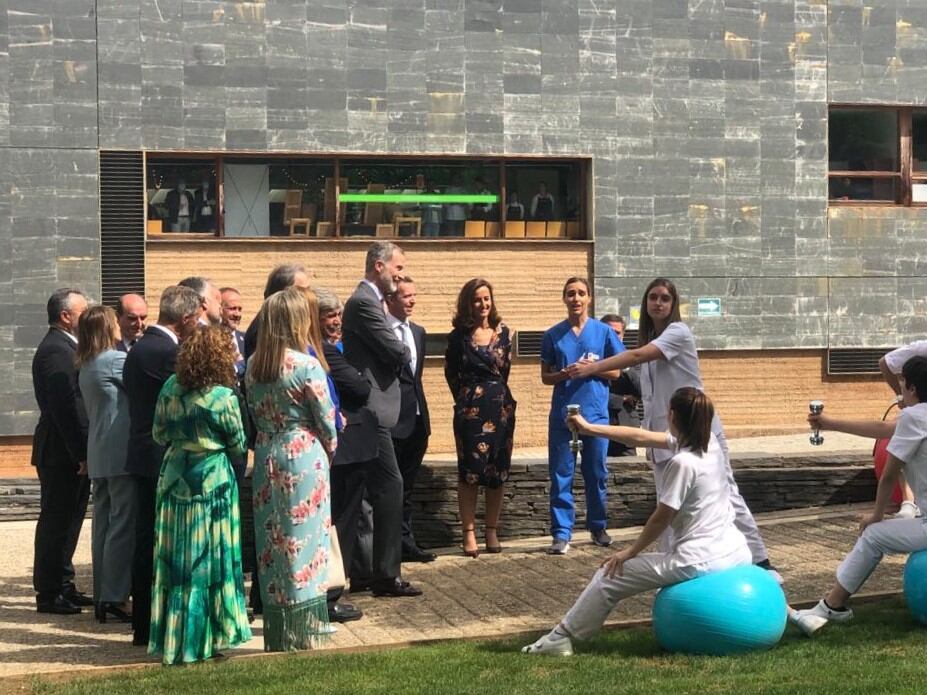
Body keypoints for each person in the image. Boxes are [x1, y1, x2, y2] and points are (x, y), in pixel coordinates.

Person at [522, 387, 752, 656]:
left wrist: (629, 552)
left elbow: (661, 518)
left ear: (673, 415)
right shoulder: (710, 444)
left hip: (698, 559)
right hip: (736, 551)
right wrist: (589, 429)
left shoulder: (683, 463)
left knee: (609, 576)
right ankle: (792, 615)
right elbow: (640, 436)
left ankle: (561, 637)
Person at [567, 278, 774, 572]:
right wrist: (593, 372)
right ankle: (674, 565)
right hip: (665, 439)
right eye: (653, 298)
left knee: (728, 495)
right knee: (668, 506)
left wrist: (592, 367)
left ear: (673, 305)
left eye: (665, 298)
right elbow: (633, 376)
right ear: (646, 303)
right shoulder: (654, 342)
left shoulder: (678, 333)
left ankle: (762, 562)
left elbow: (636, 356)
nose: (659, 303)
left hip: (698, 431)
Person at [791, 356, 927, 636]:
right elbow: (884, 430)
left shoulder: (915, 417)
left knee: (874, 535)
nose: (899, 391)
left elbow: (890, 474)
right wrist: (830, 423)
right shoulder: (916, 419)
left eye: (901, 383)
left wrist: (876, 516)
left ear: (912, 388)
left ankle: (833, 606)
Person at [149, 326, 252, 664]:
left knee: (176, 562)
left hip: (175, 474)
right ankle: (205, 638)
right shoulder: (222, 397)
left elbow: (158, 432)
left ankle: (175, 639)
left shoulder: (169, 387)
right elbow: (238, 443)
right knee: (211, 560)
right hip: (211, 478)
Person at [246, 288, 338, 650]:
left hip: (267, 449)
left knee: (272, 542)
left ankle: (278, 629)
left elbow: (253, 414)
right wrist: (328, 450)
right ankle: (304, 628)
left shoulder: (254, 364)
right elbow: (327, 421)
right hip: (301, 454)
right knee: (304, 542)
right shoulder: (306, 364)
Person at [342, 241, 422, 596]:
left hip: (374, 410)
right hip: (372, 411)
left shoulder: (369, 302)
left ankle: (364, 572)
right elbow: (397, 350)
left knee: (368, 492)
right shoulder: (363, 302)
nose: (400, 274)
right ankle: (386, 576)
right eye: (397, 268)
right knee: (391, 486)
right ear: (379, 266)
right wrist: (398, 349)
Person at [123, 285, 202, 646]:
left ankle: (143, 622)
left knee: (146, 540)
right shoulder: (167, 351)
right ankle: (155, 622)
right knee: (162, 543)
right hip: (160, 458)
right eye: (196, 319)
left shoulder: (140, 348)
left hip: (141, 454)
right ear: (185, 319)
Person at [541, 278, 623, 554]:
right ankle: (561, 534)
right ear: (564, 299)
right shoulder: (553, 335)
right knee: (561, 474)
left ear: (589, 298)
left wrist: (593, 368)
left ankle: (598, 527)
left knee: (596, 472)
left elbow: (617, 372)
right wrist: (564, 374)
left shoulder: (604, 333)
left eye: (581, 293)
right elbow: (545, 376)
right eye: (570, 294)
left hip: (596, 416)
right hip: (563, 417)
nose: (575, 298)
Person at [31, 288, 92, 615]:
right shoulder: (56, 351)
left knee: (70, 520)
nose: (89, 315)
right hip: (60, 452)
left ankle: (64, 584)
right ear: (66, 316)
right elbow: (66, 407)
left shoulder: (68, 346)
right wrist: (81, 452)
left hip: (67, 450)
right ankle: (49, 591)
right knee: (57, 521)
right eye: (84, 310)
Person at [445, 278, 516, 557]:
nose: (483, 304)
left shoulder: (503, 332)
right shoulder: (457, 337)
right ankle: (469, 532)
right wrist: (467, 400)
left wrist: (496, 396)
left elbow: (505, 370)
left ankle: (491, 531)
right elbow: (451, 374)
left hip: (501, 410)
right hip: (470, 412)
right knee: (470, 473)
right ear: (468, 303)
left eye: (487, 298)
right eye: (477, 299)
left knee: (497, 471)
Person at [76, 305, 135, 623]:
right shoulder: (115, 360)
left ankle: (103, 592)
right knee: (122, 525)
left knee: (103, 525)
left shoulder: (85, 363)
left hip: (99, 451)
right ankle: (115, 595)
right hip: (120, 450)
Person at [314, 287, 368, 624]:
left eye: (338, 315)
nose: (335, 322)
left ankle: (337, 589)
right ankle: (331, 595)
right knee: (339, 524)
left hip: (351, 447)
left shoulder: (338, 349)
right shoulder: (323, 353)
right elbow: (360, 388)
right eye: (328, 316)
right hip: (340, 452)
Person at [387, 277, 435, 563]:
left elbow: (416, 378)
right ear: (391, 300)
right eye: (406, 296)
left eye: (414, 295)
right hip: (393, 421)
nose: (412, 301)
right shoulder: (380, 332)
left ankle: (407, 543)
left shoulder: (418, 332)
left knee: (408, 486)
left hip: (417, 419)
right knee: (390, 487)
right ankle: (388, 547)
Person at [879, 340, 926, 518]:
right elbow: (885, 362)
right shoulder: (922, 348)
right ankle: (908, 500)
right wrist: (901, 396)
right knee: (904, 445)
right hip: (919, 404)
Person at [244, 263, 312, 360]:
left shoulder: (289, 322)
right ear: (283, 293)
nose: (309, 296)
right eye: (302, 291)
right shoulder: (267, 327)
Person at [600, 314, 641, 457]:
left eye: (617, 333)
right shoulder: (591, 359)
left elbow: (641, 390)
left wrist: (625, 364)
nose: (613, 336)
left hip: (626, 426)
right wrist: (621, 400)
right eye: (609, 332)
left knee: (629, 475)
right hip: (598, 426)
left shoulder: (634, 358)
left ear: (623, 335)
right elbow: (590, 393)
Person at [220, 287, 246, 375]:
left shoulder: (247, 339)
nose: (237, 314)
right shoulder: (210, 339)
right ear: (220, 309)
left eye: (239, 309)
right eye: (232, 308)